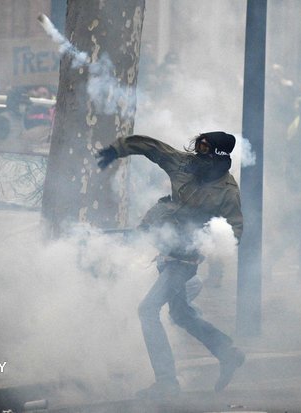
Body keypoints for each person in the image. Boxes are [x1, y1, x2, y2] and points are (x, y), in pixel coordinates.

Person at [96, 132, 245, 398]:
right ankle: (226, 351)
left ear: (219, 155)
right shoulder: (183, 164)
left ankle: (167, 382)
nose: (198, 154)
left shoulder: (227, 191)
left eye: (205, 149)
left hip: (185, 261)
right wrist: (117, 149)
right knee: (180, 314)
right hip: (167, 251)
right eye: (198, 147)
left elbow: (234, 232)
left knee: (147, 310)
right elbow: (153, 147)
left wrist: (204, 244)